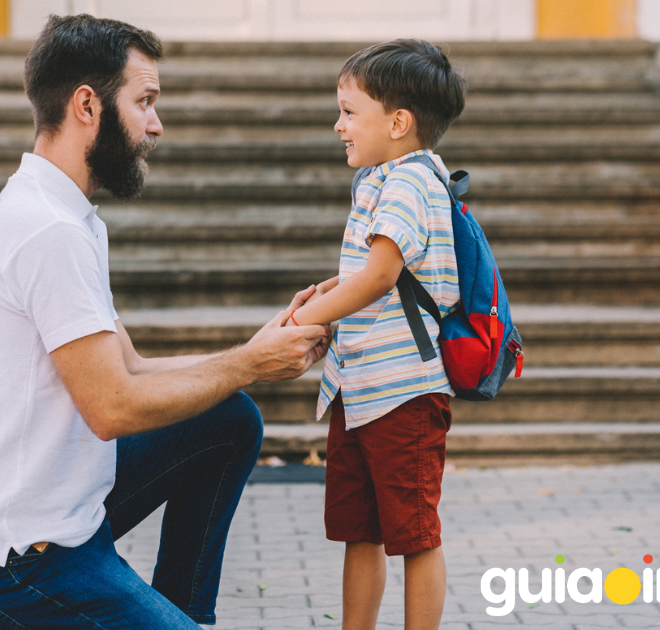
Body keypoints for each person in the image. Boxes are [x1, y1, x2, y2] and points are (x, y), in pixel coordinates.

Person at [0, 14, 328, 630]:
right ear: (87, 104)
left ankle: (181, 615)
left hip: (64, 510)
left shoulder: (67, 214)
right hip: (16, 558)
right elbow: (112, 408)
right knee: (230, 392)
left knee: (228, 418)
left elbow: (128, 368)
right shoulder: (48, 231)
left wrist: (254, 352)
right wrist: (248, 364)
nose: (156, 124)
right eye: (144, 102)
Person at [286, 39, 467, 630]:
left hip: (403, 391)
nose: (338, 125)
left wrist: (305, 320)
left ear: (398, 122)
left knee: (415, 534)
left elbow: (381, 276)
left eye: (348, 111)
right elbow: (373, 273)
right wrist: (324, 293)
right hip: (360, 387)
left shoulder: (411, 182)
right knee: (358, 530)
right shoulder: (382, 178)